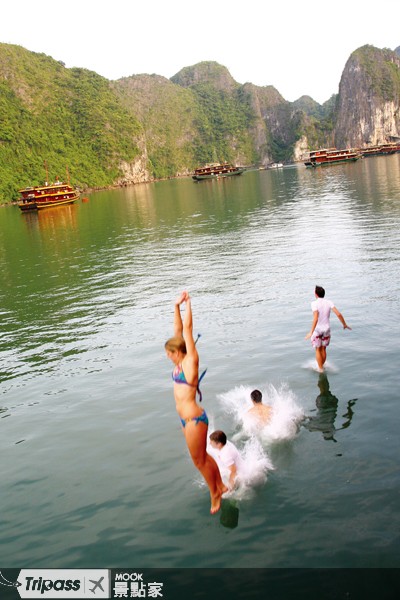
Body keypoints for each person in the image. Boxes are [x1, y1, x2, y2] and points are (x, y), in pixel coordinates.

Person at [165, 291, 227, 514]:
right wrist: (175, 306)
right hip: (187, 420)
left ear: (178, 352)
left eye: (169, 353)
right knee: (203, 457)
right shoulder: (179, 363)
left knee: (199, 462)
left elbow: (187, 330)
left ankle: (215, 493)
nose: (168, 356)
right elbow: (178, 331)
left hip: (193, 419)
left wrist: (189, 303)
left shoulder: (190, 361)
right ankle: (220, 484)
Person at [305, 285, 351, 371]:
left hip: (318, 330)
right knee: (323, 349)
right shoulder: (329, 302)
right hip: (327, 329)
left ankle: (320, 369)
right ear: (323, 294)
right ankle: (322, 366)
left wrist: (311, 332)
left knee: (318, 349)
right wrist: (344, 324)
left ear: (316, 294)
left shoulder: (314, 304)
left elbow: (315, 318)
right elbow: (338, 314)